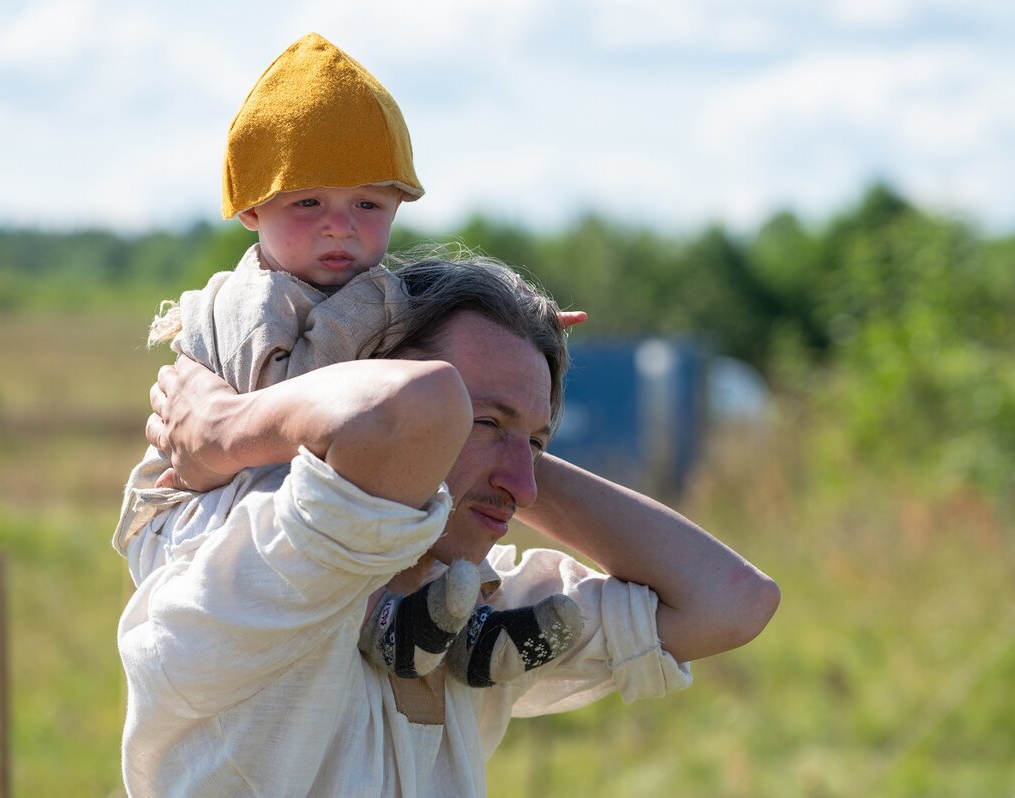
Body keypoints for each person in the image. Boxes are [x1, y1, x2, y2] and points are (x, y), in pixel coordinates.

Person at [119, 255, 781, 796]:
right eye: (481, 422)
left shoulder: (473, 605)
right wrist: (231, 427)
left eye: (539, 447)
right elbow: (409, 410)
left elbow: (733, 601)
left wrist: (508, 437)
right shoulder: (254, 573)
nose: (522, 488)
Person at [112, 33, 581, 687]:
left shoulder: (363, 291)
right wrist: (380, 304)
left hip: (289, 513)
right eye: (308, 202)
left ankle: (463, 623)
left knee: (422, 475)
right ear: (251, 206)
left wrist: (503, 325)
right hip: (201, 524)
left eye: (368, 204)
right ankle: (396, 622)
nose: (342, 226)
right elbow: (286, 396)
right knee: (377, 469)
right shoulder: (250, 300)